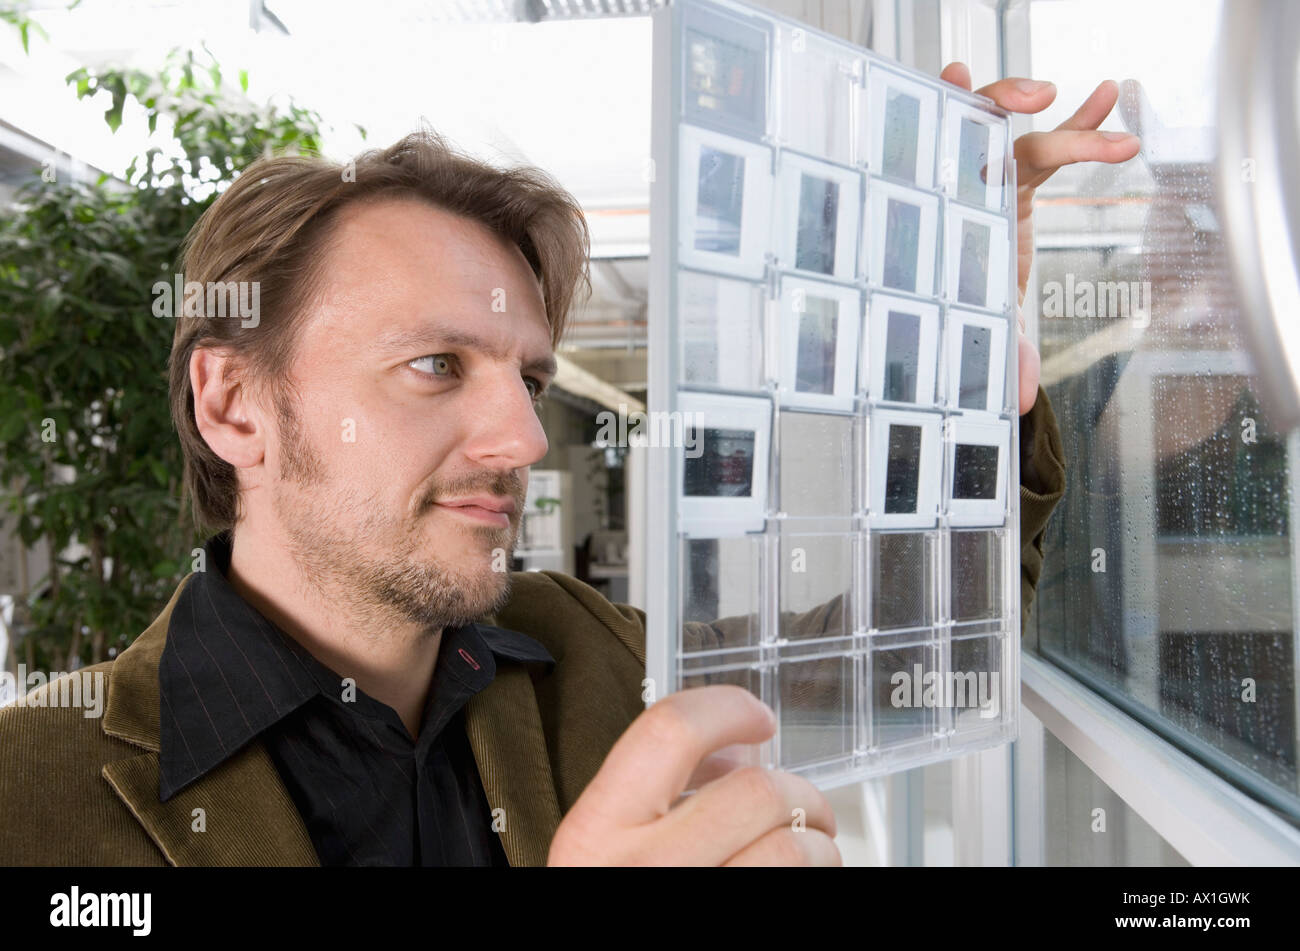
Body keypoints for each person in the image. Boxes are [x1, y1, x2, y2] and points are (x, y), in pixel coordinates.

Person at [0, 63, 1139, 867]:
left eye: (529, 380)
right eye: (437, 363)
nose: (526, 442)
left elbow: (897, 661)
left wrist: (945, 332)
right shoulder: (30, 789)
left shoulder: (580, 650)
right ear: (235, 404)